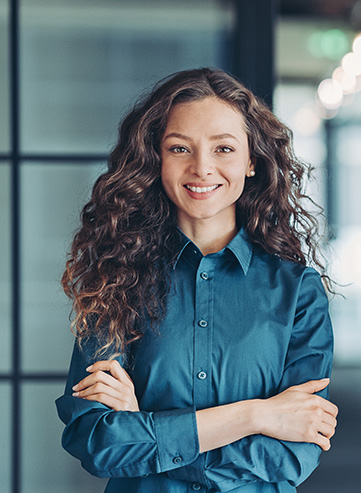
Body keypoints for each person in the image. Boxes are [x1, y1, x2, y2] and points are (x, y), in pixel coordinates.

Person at [56, 68, 338, 493]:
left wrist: (146, 431)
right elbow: (97, 441)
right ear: (157, 159)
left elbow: (294, 454)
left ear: (251, 161)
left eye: (223, 148)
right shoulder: (115, 279)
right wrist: (255, 416)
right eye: (179, 148)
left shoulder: (297, 291)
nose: (202, 168)